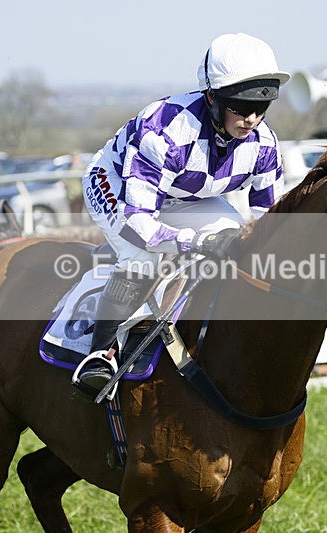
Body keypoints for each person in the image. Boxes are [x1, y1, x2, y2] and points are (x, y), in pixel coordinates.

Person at [73, 32, 290, 400]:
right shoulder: (164, 130)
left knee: (239, 241)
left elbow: (269, 223)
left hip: (185, 197)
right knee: (142, 256)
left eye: (261, 107)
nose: (251, 119)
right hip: (118, 186)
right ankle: (101, 352)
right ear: (212, 98)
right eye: (240, 106)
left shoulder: (264, 145)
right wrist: (195, 241)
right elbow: (140, 223)